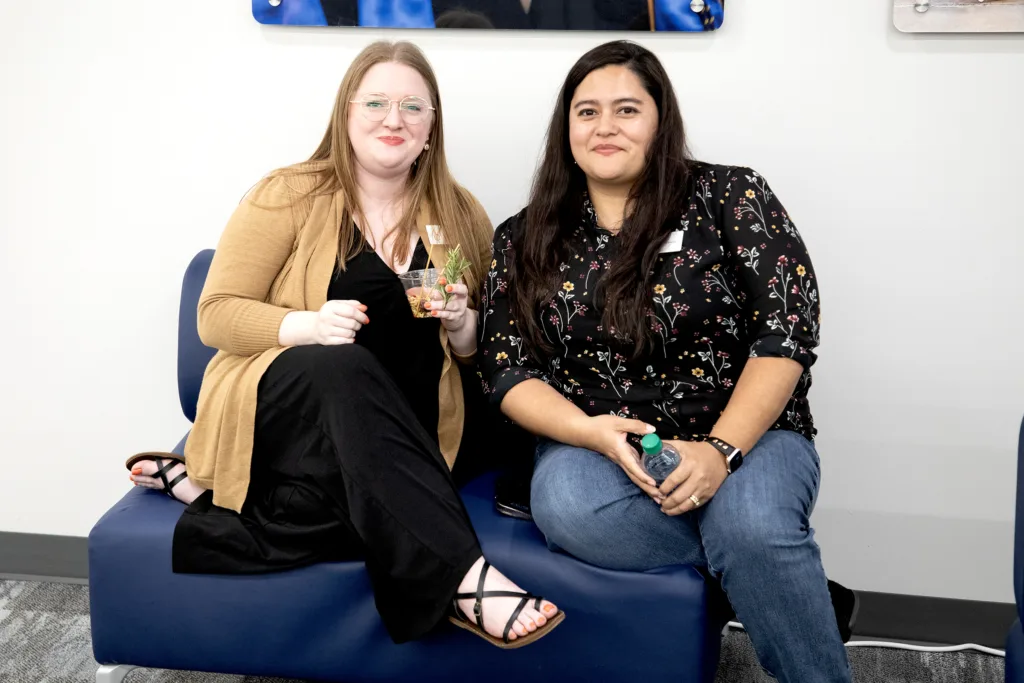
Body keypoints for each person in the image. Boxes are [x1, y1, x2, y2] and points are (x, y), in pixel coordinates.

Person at [125, 39, 562, 649]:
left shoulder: (458, 213)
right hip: (291, 404)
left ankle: (207, 493)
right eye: (376, 102)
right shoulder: (289, 194)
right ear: (345, 115)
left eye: (414, 106)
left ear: (432, 126)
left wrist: (464, 322)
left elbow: (476, 351)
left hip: (401, 431)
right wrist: (305, 326)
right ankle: (468, 580)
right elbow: (216, 316)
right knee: (344, 367)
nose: (394, 119)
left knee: (375, 499)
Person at [478, 40, 851, 681]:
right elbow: (505, 368)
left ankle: (765, 569)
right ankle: (771, 576)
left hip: (750, 434)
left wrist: (721, 452)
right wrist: (588, 431)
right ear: (565, 128)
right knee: (567, 505)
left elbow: (787, 330)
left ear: (660, 120)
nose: (605, 127)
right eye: (587, 111)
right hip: (603, 449)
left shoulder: (730, 195)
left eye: (627, 109)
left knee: (754, 530)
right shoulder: (524, 234)